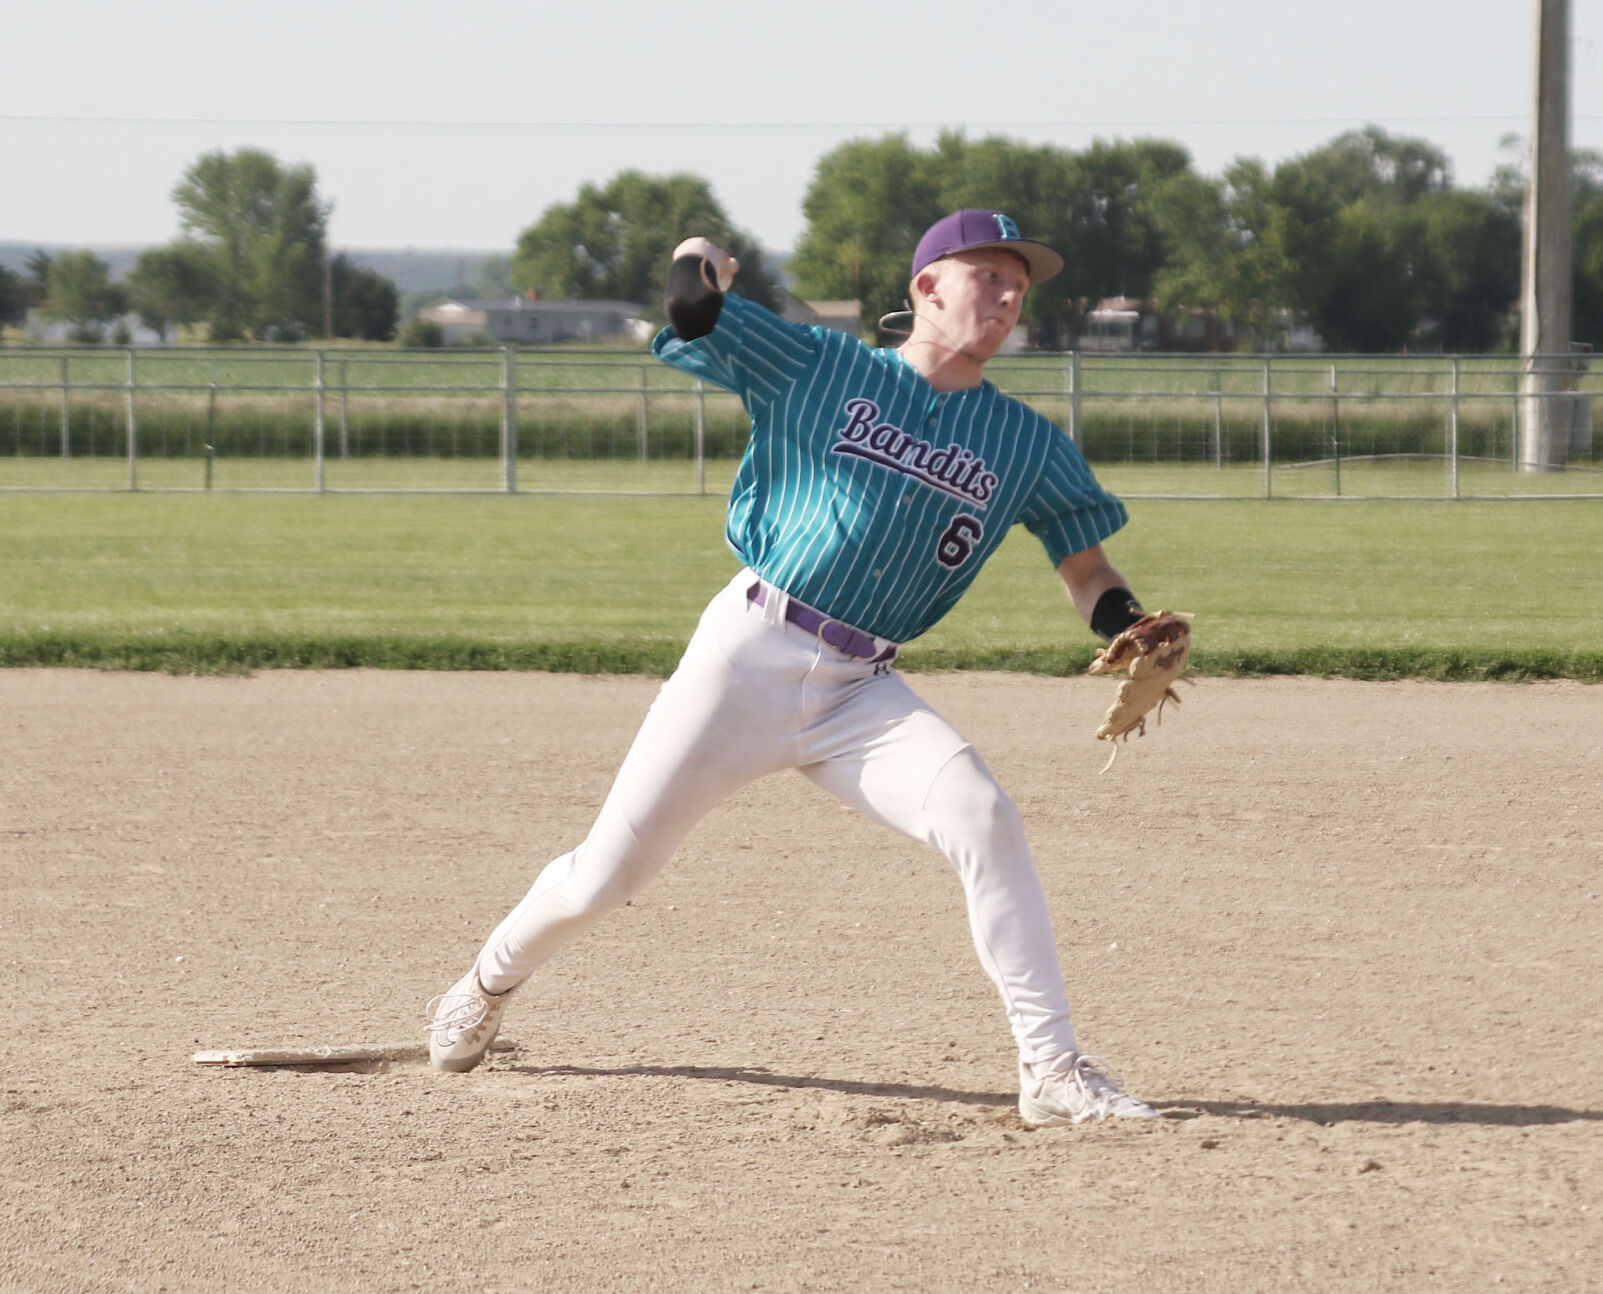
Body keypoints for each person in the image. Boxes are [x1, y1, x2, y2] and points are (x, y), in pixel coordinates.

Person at [426, 209, 1165, 1125]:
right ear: (926, 286)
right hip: (747, 655)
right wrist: (698, 257)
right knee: (605, 879)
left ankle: (1050, 1072)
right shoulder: (823, 364)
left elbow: (1085, 568)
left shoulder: (1025, 443)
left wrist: (1129, 623)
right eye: (990, 276)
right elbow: (692, 310)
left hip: (863, 693)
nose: (1011, 297)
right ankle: (488, 981)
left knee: (984, 818)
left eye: (1020, 285)